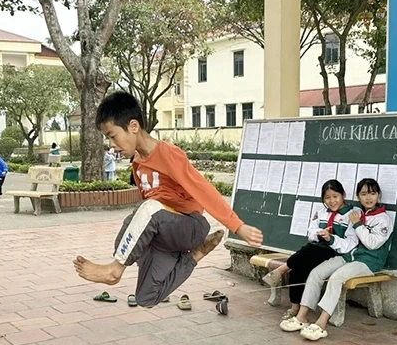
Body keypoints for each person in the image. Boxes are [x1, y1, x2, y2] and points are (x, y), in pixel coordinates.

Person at [73, 92, 263, 306]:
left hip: (190, 226)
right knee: (146, 297)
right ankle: (196, 255)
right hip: (164, 232)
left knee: (147, 208)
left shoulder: (169, 154)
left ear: (133, 126)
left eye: (112, 135)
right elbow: (145, 215)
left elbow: (204, 190)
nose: (111, 144)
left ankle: (114, 270)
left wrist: (237, 226)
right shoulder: (138, 164)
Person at [281, 179, 395, 341]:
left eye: (372, 193)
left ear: (378, 195)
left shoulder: (383, 219)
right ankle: (302, 317)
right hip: (349, 256)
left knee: (336, 278)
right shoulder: (358, 213)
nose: (368, 198)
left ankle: (321, 324)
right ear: (357, 196)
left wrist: (357, 225)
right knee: (316, 273)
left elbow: (371, 244)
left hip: (369, 262)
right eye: (363, 194)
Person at [262, 179, 348, 316]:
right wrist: (320, 233)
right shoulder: (321, 213)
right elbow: (311, 233)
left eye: (335, 196)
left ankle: (280, 271)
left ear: (343, 195)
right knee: (298, 268)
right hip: (316, 250)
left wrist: (330, 238)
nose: (332, 201)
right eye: (327, 198)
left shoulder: (351, 215)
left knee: (312, 250)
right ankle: (295, 306)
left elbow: (350, 242)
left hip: (335, 253)